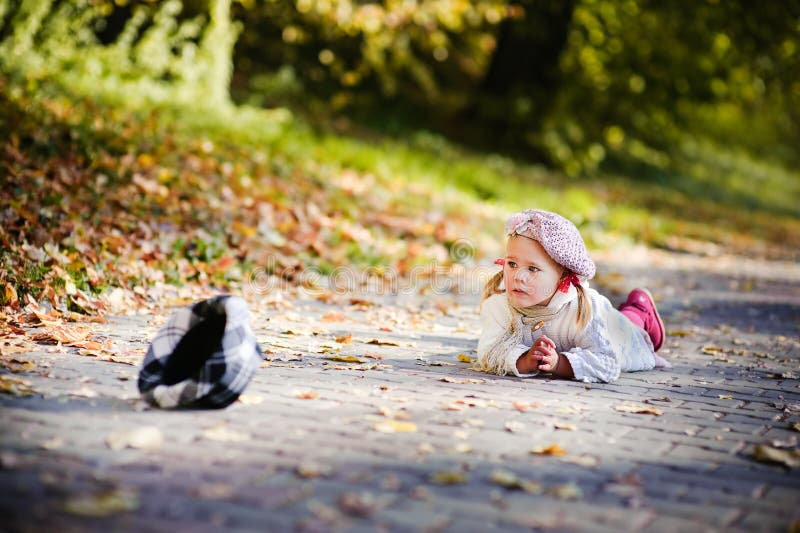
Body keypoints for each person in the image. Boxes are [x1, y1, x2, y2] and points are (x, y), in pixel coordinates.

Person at [477, 209, 669, 383]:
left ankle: (641, 311)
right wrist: (524, 360)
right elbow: (489, 350)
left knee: (627, 328)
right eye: (512, 264)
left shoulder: (582, 310)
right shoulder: (498, 304)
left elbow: (607, 364)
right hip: (602, 322)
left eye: (533, 268)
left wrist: (559, 363)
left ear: (563, 277)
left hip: (615, 329)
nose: (518, 276)